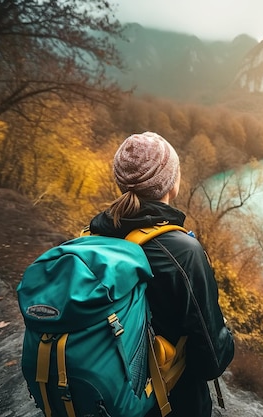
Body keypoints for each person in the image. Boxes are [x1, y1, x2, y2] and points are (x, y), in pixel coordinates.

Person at [86, 131, 234, 417]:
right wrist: (228, 338)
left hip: (106, 396)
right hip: (169, 404)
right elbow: (211, 361)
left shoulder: (94, 236)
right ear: (171, 182)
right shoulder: (183, 251)